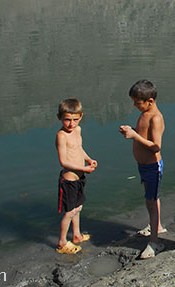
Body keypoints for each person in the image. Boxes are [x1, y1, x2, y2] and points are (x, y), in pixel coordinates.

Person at [120, 79, 166, 259]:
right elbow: (143, 135)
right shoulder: (145, 113)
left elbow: (156, 146)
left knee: (151, 201)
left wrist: (134, 136)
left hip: (153, 166)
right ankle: (158, 226)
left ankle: (154, 242)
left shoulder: (156, 118)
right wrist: (131, 131)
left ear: (150, 101)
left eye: (137, 103)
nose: (134, 106)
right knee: (152, 197)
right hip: (144, 166)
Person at [55, 98, 98, 254]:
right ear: (59, 118)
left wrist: (88, 159)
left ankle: (77, 235)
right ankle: (62, 242)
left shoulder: (77, 131)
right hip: (69, 180)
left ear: (80, 117)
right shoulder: (61, 136)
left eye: (75, 120)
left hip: (80, 177)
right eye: (67, 120)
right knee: (70, 212)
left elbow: (79, 148)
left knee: (78, 207)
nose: (71, 124)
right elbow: (64, 161)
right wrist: (83, 168)